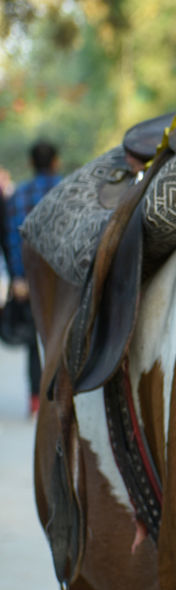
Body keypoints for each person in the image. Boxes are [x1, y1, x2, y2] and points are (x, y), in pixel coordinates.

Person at [5, 139, 61, 415]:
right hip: (63, 274)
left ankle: (36, 399)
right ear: (55, 162)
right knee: (62, 331)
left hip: (31, 276)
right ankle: (63, 391)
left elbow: (14, 238)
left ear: (30, 162)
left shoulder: (20, 195)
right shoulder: (68, 188)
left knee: (33, 339)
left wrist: (18, 277)